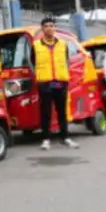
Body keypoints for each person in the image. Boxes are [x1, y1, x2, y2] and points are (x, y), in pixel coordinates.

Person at [30, 16, 79, 151]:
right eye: (46, 26)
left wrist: (64, 78)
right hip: (45, 83)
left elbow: (66, 60)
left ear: (55, 28)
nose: (49, 28)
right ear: (42, 29)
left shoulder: (63, 44)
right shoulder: (36, 46)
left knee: (62, 112)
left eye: (51, 25)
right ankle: (46, 139)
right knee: (45, 113)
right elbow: (33, 62)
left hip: (60, 83)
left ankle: (65, 137)